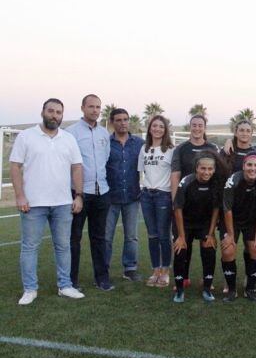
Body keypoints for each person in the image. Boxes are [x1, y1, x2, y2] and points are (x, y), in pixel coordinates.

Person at [10, 98, 86, 305]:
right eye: (51, 111)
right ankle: (30, 289)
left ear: (62, 115)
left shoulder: (68, 139)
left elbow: (77, 167)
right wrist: (20, 195)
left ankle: (65, 286)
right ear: (43, 112)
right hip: (33, 204)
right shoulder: (26, 136)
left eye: (58, 112)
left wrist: (78, 195)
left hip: (62, 203)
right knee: (29, 247)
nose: (54, 115)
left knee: (63, 246)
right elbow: (15, 166)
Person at [65, 94, 113, 291]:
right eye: (91, 106)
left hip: (101, 192)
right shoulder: (70, 133)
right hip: (79, 193)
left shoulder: (103, 134)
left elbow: (105, 160)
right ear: (83, 108)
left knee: (99, 238)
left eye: (98, 107)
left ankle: (101, 279)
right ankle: (71, 281)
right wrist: (76, 192)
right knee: (74, 238)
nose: (95, 110)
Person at [171, 151, 228, 303]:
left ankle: (207, 288)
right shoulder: (186, 182)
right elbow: (177, 209)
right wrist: (181, 237)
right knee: (180, 250)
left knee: (209, 248)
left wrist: (210, 234)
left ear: (214, 170)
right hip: (184, 223)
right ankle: (179, 289)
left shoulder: (215, 184)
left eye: (210, 169)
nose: (206, 172)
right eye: (203, 168)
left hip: (203, 224)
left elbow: (216, 210)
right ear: (196, 168)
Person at [170, 114, 218, 288]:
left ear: (205, 127)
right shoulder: (181, 149)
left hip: (205, 205)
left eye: (200, 125)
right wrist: (176, 202)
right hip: (185, 204)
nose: (197, 128)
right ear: (189, 127)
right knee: (184, 243)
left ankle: (207, 280)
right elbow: (175, 175)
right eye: (194, 125)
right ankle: (183, 279)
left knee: (208, 242)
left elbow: (217, 174)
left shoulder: (212, 148)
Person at [220, 151, 256, 302]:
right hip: (232, 221)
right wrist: (230, 235)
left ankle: (250, 289)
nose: (252, 168)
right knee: (228, 250)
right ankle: (232, 289)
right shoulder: (233, 180)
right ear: (243, 166)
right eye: (249, 165)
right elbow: (227, 209)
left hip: (252, 221)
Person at [105, 108, 145, 282]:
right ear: (112, 122)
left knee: (131, 236)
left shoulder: (139, 143)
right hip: (110, 197)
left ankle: (130, 268)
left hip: (132, 197)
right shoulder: (105, 143)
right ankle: (103, 269)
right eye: (119, 120)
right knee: (106, 236)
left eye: (126, 119)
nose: (123, 123)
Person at [138, 115, 175, 288]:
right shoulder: (144, 148)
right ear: (150, 128)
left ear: (165, 129)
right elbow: (140, 172)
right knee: (152, 235)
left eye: (161, 126)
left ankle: (166, 271)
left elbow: (175, 175)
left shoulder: (170, 149)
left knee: (163, 236)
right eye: (155, 126)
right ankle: (155, 270)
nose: (158, 129)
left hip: (163, 195)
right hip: (146, 195)